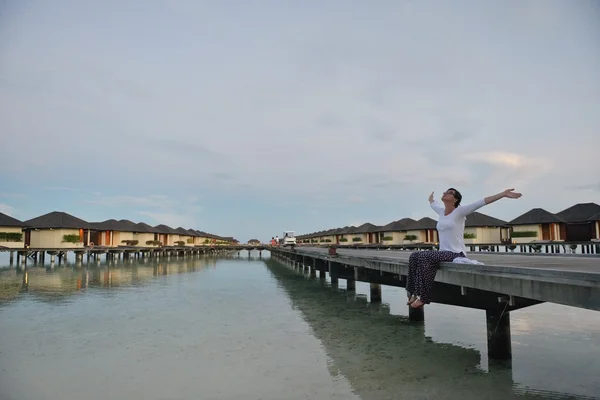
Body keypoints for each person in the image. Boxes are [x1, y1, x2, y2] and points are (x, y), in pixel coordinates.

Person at [407, 188, 522, 309]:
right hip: (442, 252)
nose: (445, 193)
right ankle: (412, 292)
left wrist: (503, 194)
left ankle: (423, 298)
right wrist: (431, 199)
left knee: (424, 257)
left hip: (455, 253)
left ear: (455, 199)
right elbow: (433, 204)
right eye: (446, 191)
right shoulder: (441, 212)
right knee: (414, 256)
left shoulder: (460, 211)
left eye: (450, 193)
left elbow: (482, 202)